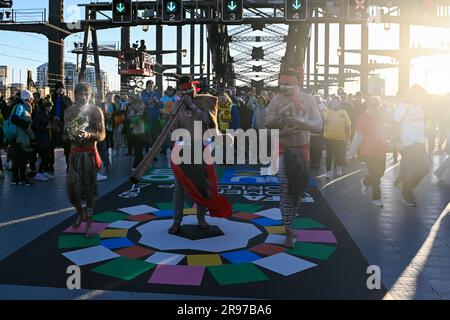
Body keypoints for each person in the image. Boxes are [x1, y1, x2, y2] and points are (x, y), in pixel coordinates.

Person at [265, 68, 323, 248]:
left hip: (302, 150)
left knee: (297, 191)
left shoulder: (309, 99)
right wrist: (283, 131)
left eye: (287, 85)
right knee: (285, 188)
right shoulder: (275, 101)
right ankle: (288, 229)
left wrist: (303, 124)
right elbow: (267, 124)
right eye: (281, 84)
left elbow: (319, 125)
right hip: (283, 150)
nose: (283, 87)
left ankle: (289, 222)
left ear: (297, 84)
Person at [168, 76, 233, 234]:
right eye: (185, 91)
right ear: (180, 91)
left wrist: (193, 107)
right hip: (183, 149)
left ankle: (201, 218)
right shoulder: (176, 105)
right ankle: (177, 221)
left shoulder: (206, 101)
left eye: (190, 90)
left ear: (194, 88)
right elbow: (171, 129)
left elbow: (209, 120)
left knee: (203, 184)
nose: (188, 93)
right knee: (179, 188)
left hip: (202, 148)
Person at [64, 83, 105, 237]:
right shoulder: (69, 111)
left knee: (90, 191)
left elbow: (102, 135)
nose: (82, 97)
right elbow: (65, 135)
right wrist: (69, 133)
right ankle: (81, 213)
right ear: (74, 95)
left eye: (85, 94)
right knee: (71, 191)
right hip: (75, 154)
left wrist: (89, 135)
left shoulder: (96, 111)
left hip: (89, 154)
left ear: (90, 95)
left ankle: (89, 223)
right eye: (79, 94)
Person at [393, 84, 429, 206]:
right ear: (410, 93)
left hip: (420, 143)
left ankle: (408, 187)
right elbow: (395, 124)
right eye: (414, 92)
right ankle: (406, 194)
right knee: (409, 170)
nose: (416, 95)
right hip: (407, 144)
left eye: (419, 93)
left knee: (425, 167)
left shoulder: (422, 106)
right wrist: (396, 141)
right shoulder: (403, 106)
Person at [349, 96, 387, 207]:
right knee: (375, 175)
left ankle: (365, 181)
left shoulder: (381, 117)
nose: (375, 107)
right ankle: (376, 198)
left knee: (380, 173)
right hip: (368, 152)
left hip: (381, 151)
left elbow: (384, 132)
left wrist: (388, 142)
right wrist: (351, 152)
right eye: (373, 104)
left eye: (377, 104)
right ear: (368, 105)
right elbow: (357, 137)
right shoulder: (363, 118)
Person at [10, 90, 35, 186]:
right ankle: (22, 178)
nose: (31, 101)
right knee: (23, 158)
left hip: (22, 136)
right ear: (26, 98)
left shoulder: (25, 107)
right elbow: (15, 118)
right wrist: (26, 125)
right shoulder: (20, 106)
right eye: (30, 99)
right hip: (20, 137)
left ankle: (16, 178)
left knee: (19, 159)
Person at [323, 95, 351, 178]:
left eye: (336, 102)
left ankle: (339, 167)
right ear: (331, 103)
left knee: (339, 154)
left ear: (339, 103)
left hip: (340, 138)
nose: (334, 103)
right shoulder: (327, 112)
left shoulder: (343, 112)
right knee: (329, 155)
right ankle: (328, 171)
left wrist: (348, 137)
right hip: (329, 138)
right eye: (333, 102)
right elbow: (323, 121)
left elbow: (348, 125)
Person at [50, 81, 73, 173]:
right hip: (54, 124)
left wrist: (62, 98)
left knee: (67, 146)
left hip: (65, 124)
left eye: (61, 88)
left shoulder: (67, 99)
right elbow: (49, 110)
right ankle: (50, 166)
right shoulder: (52, 98)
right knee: (51, 146)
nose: (60, 90)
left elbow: (70, 110)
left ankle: (69, 166)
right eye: (58, 88)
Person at [32, 96, 53, 182]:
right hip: (40, 138)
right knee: (43, 156)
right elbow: (36, 126)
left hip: (46, 138)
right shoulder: (39, 114)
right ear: (44, 107)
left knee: (47, 156)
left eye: (50, 107)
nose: (49, 108)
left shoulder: (48, 114)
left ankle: (44, 171)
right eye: (47, 106)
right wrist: (45, 127)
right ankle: (39, 173)